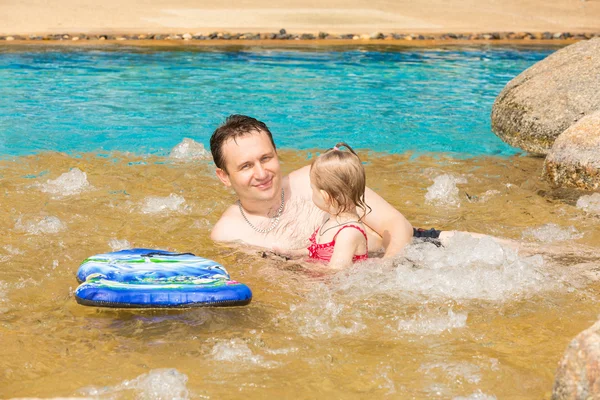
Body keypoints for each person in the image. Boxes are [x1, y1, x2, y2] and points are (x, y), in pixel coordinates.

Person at [209, 115, 416, 257]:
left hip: (409, 253)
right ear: (224, 176)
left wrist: (386, 274)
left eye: (266, 158)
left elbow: (397, 225)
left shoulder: (315, 180)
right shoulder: (228, 234)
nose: (262, 173)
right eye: (246, 166)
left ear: (276, 153)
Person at [273, 142, 370, 269]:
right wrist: (291, 255)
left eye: (313, 189)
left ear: (326, 197)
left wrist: (298, 266)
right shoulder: (330, 218)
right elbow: (316, 252)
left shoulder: (348, 233)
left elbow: (335, 272)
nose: (311, 192)